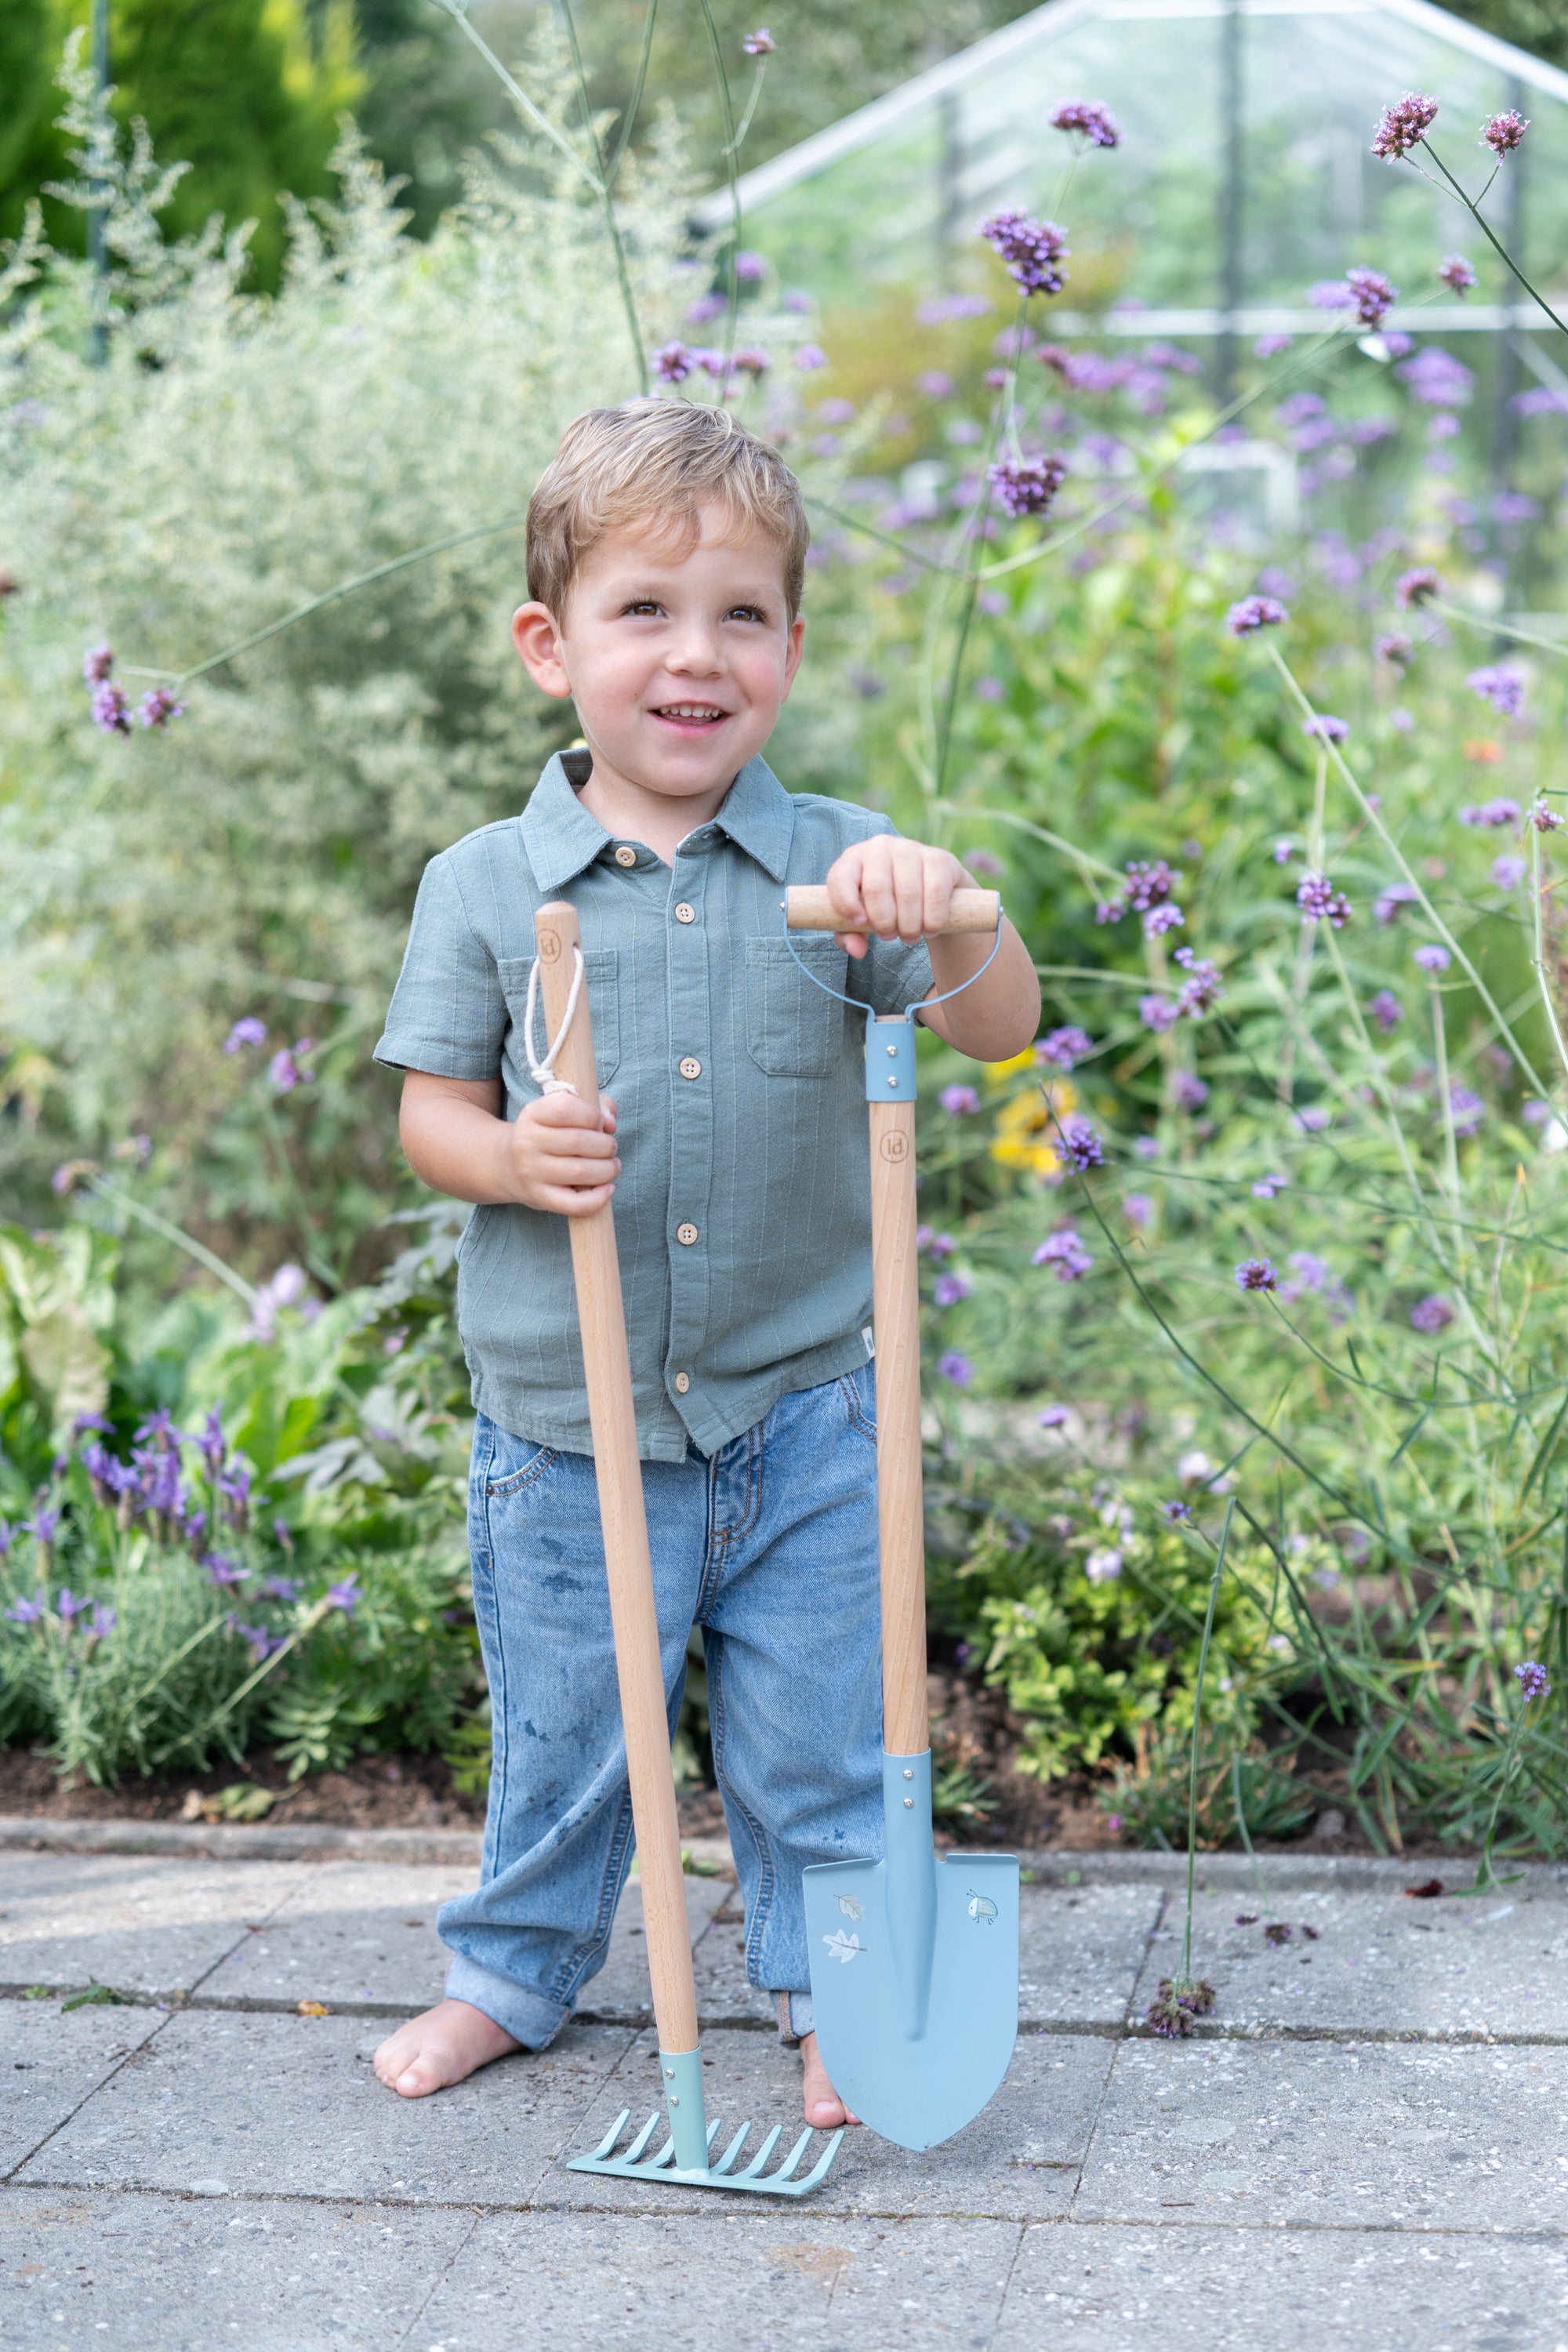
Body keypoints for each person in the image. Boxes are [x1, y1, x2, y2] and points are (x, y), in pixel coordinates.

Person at [370, 398, 1040, 2129]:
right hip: (565, 1425)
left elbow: (997, 1033)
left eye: (741, 614)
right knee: (574, 1735)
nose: (697, 655)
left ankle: (833, 2000)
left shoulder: (841, 871)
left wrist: (955, 905)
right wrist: (511, 1156)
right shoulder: (487, 885)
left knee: (824, 1737)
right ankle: (510, 1973)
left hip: (805, 1414)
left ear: (792, 648)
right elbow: (427, 1118)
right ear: (550, 646)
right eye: (645, 612)